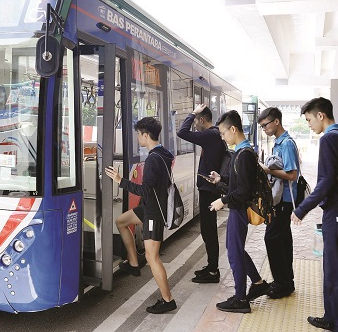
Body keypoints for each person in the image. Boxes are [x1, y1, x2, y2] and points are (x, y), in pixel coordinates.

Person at [290, 97, 338, 332]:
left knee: (337, 266)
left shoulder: (329, 139)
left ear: (321, 115)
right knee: (331, 264)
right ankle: (332, 316)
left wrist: (302, 209)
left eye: (309, 119)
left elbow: (326, 182)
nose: (309, 124)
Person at [104, 117, 177, 314]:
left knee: (153, 258)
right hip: (148, 207)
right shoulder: (163, 153)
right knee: (121, 222)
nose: (137, 138)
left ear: (146, 135)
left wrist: (120, 180)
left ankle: (168, 300)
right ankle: (134, 263)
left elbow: (145, 190)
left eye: (138, 134)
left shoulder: (153, 159)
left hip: (153, 212)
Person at [209, 110, 270, 314]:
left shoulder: (243, 155)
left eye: (223, 133)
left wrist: (222, 200)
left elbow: (243, 191)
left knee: (235, 253)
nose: (223, 137)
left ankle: (241, 298)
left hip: (239, 210)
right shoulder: (243, 152)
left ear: (233, 129)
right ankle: (258, 283)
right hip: (238, 208)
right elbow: (240, 183)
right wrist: (222, 180)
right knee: (234, 248)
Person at [177, 104, 227, 284]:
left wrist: (192, 113)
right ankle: (211, 266)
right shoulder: (214, 135)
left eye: (196, 122)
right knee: (208, 230)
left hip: (209, 189)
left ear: (202, 119)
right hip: (209, 188)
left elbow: (182, 133)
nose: (195, 126)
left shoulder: (210, 134)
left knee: (209, 230)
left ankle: (213, 271)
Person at [257, 107, 299, 299]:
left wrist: (268, 170)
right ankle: (286, 281)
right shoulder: (279, 142)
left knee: (272, 238)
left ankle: (282, 283)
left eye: (265, 125)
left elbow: (292, 174)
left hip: (285, 200)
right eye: (262, 126)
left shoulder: (286, 144)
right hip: (281, 199)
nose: (264, 129)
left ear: (276, 122)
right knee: (283, 239)